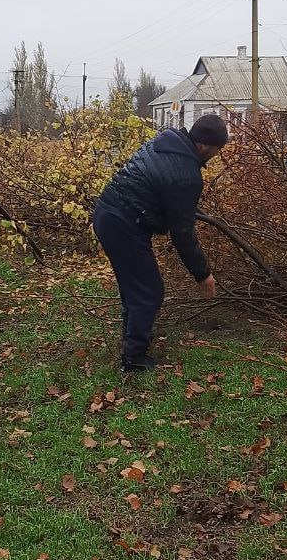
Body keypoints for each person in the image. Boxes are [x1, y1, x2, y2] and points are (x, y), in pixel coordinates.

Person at [93, 114, 229, 371]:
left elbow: (158, 190)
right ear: (203, 146)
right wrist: (203, 274)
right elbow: (182, 233)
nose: (218, 154)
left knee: (136, 288)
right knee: (149, 291)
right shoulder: (186, 174)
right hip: (122, 223)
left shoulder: (167, 142)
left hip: (108, 213)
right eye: (217, 149)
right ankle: (133, 359)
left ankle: (134, 338)